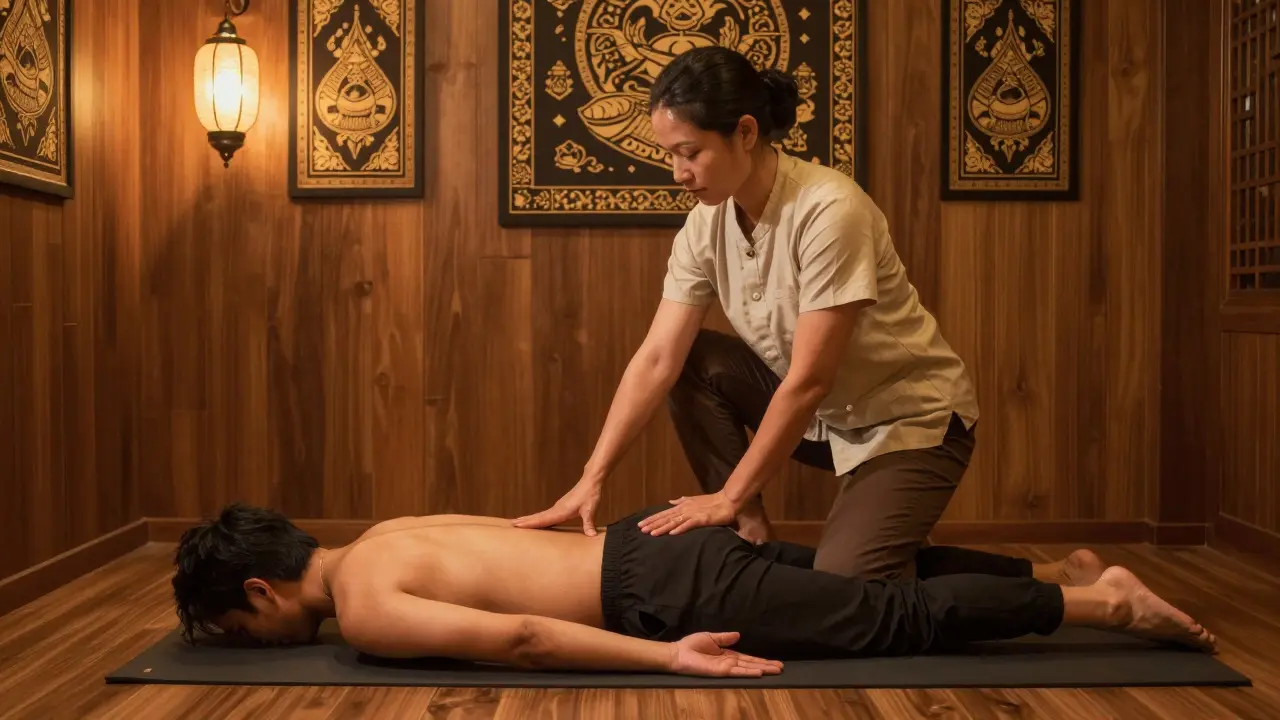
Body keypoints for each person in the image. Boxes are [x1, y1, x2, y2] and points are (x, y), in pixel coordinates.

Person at [513, 46, 982, 581]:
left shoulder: (830, 210)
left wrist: (727, 495)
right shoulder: (706, 223)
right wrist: (590, 478)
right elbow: (658, 357)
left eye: (690, 152)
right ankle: (749, 528)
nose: (678, 173)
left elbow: (809, 379)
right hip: (827, 423)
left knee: (853, 587)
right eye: (670, 155)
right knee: (691, 358)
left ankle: (1058, 587)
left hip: (908, 422)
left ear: (745, 132)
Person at [171, 503, 1216, 678]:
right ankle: (1058, 573)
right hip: (642, 545)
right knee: (851, 574)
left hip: (654, 588)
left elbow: (526, 639)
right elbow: (521, 546)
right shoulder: (382, 533)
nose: (247, 641)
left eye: (232, 628)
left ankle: (1104, 606)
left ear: (261, 591)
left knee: (882, 620)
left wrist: (668, 654)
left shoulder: (365, 607)